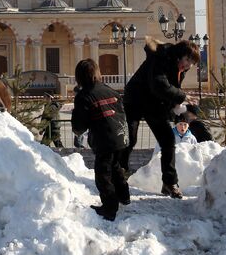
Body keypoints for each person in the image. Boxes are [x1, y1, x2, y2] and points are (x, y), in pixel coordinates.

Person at [120, 37, 200, 199]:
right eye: (187, 60)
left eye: (191, 63)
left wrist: (180, 108)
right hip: (136, 98)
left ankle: (169, 183)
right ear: (180, 55)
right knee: (130, 138)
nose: (188, 65)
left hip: (155, 104)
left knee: (168, 140)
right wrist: (182, 97)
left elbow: (172, 90)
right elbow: (158, 85)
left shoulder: (180, 69)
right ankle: (119, 173)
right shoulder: (161, 58)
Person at [71, 59, 130, 221]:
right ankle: (124, 196)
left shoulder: (84, 96)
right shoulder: (110, 90)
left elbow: (79, 125)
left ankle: (109, 208)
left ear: (79, 77)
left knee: (103, 175)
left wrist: (77, 129)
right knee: (116, 167)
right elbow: (121, 112)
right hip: (121, 137)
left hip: (105, 141)